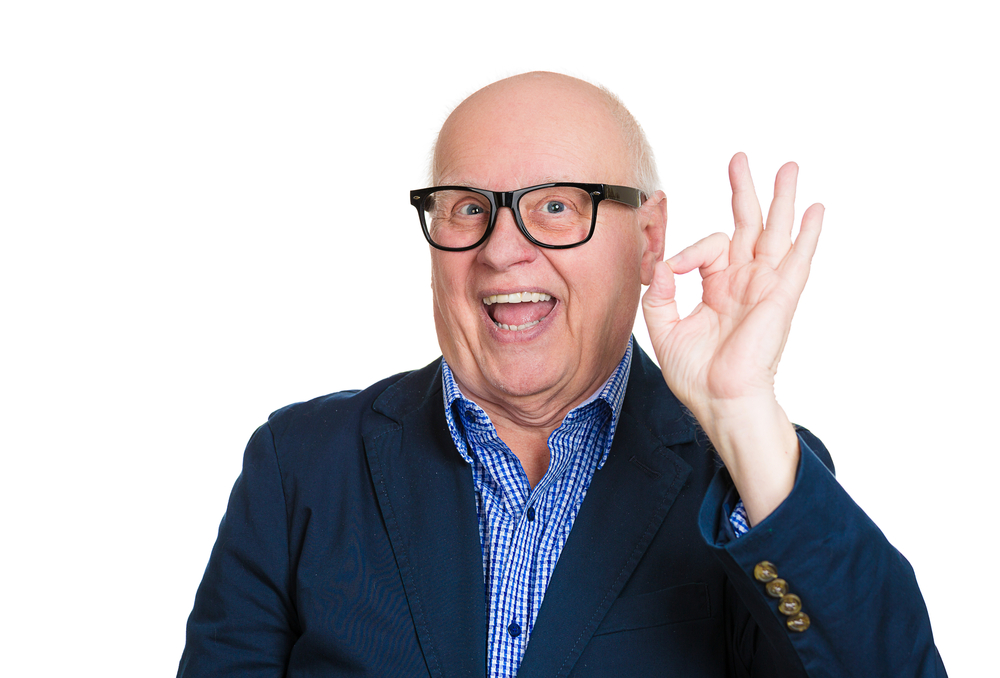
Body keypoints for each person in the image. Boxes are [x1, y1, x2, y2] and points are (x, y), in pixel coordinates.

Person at [178, 72, 946, 677]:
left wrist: (740, 409)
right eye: (467, 207)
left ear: (650, 240)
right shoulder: (299, 466)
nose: (502, 249)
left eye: (554, 207)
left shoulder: (752, 475)